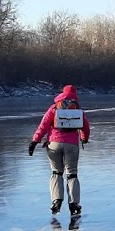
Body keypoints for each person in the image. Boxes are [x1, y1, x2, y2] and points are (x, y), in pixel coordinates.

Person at [28, 84, 90, 215]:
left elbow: (43, 125)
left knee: (56, 172)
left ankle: (56, 201)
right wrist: (84, 138)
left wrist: (35, 140)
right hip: (72, 145)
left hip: (54, 144)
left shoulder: (55, 107)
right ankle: (74, 203)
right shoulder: (77, 109)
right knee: (72, 173)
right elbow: (85, 127)